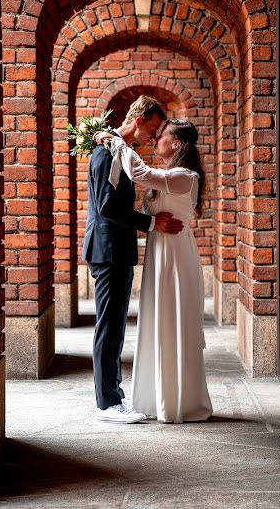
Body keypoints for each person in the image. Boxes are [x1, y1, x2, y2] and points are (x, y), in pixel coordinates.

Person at [95, 118, 212, 423]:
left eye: (162, 136)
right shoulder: (169, 175)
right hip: (158, 254)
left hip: (175, 256)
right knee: (157, 322)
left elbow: (139, 173)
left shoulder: (185, 176)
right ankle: (155, 398)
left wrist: (114, 141)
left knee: (174, 321)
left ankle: (179, 401)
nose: (155, 139)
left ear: (175, 144)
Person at [83, 96, 184, 423]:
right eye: (153, 129)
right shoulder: (109, 152)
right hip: (108, 250)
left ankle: (114, 396)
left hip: (118, 250)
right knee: (109, 327)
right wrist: (152, 223)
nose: (154, 137)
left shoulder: (121, 151)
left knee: (114, 327)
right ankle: (107, 404)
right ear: (138, 120)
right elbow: (106, 208)